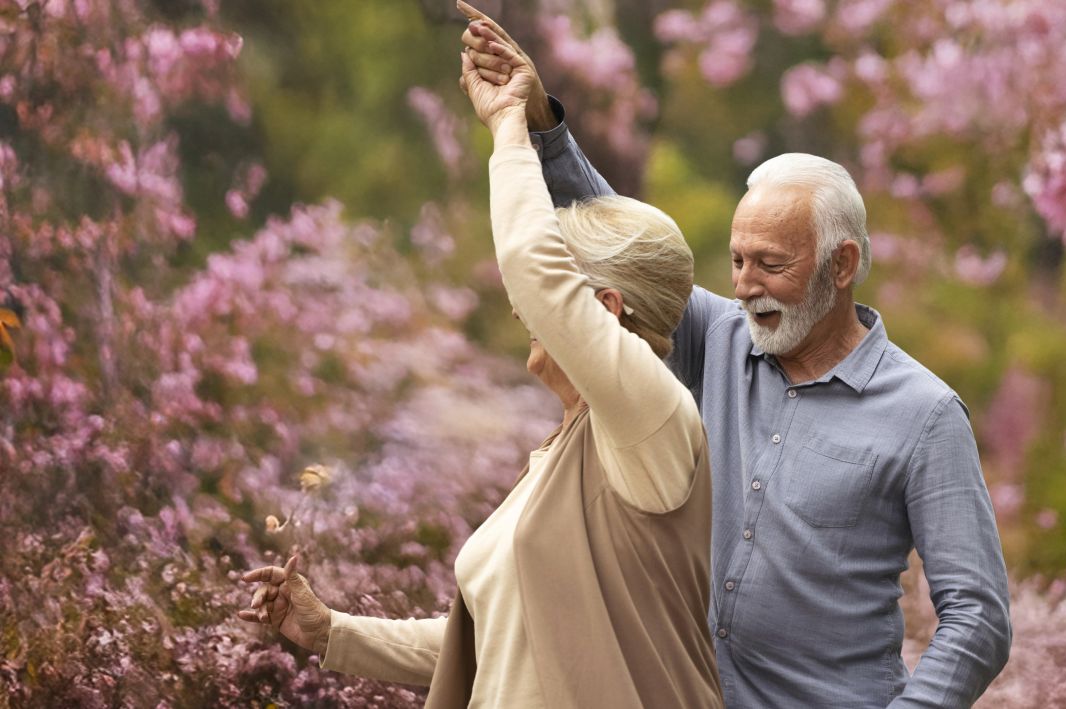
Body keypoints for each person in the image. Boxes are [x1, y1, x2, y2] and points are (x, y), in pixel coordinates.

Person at [460, 6, 1012, 708]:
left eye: (771, 264)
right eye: (738, 261)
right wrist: (543, 130)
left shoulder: (924, 415)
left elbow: (979, 617)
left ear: (841, 265)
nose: (746, 285)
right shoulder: (722, 336)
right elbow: (626, 258)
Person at [237, 16, 723, 708]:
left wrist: (508, 129)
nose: (524, 308)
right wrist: (331, 630)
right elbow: (508, 636)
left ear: (607, 311)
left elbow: (531, 267)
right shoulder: (562, 454)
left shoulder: (653, 418)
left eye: (556, 295)